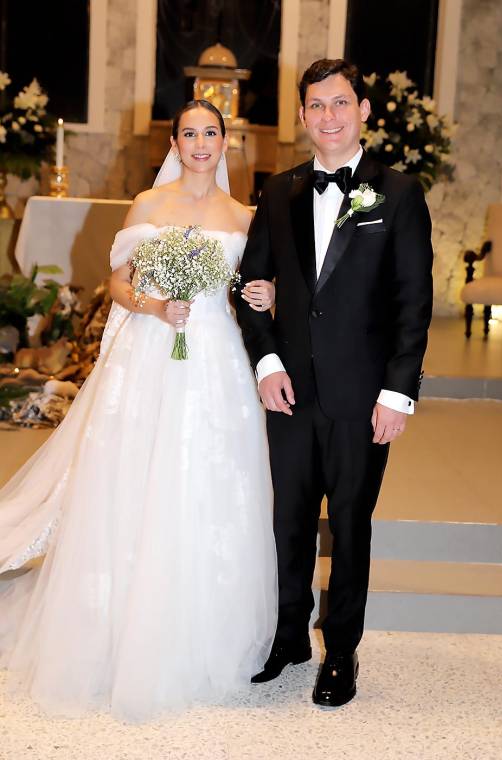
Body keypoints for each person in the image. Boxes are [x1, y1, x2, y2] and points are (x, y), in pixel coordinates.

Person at [0, 100, 278, 722]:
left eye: (211, 133)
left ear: (226, 143)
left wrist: (266, 291)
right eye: (189, 134)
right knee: (129, 477)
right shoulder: (148, 207)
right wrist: (152, 305)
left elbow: (250, 289)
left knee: (208, 483)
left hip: (216, 364)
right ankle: (114, 625)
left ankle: (203, 629)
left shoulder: (244, 215)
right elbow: (118, 285)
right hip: (148, 354)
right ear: (175, 144)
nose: (201, 143)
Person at [235, 59, 433, 707]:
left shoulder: (399, 193)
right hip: (289, 392)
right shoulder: (278, 190)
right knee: (288, 521)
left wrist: (398, 392)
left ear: (364, 110)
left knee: (350, 524)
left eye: (341, 103)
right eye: (316, 106)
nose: (329, 116)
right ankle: (290, 634)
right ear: (302, 116)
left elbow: (413, 302)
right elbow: (250, 287)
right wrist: (265, 363)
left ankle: (340, 651)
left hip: (362, 396)